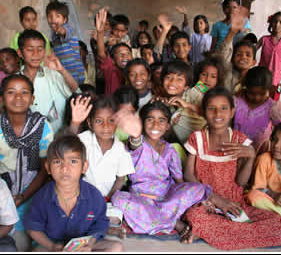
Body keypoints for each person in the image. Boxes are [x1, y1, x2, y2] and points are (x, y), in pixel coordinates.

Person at [182, 86, 281, 250]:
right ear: (203, 111)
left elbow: (241, 182)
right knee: (194, 215)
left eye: (223, 108)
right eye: (211, 109)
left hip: (234, 201)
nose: (217, 114)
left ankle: (205, 231)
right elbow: (188, 175)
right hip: (205, 201)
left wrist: (251, 156)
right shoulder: (197, 138)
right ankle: (207, 227)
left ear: (232, 112)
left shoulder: (239, 139)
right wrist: (214, 198)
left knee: (276, 223)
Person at [111, 101, 212, 242]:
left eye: (161, 120)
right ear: (141, 123)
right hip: (141, 199)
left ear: (168, 126)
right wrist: (135, 134)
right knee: (118, 199)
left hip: (167, 199)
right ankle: (175, 223)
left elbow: (179, 181)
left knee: (197, 189)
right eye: (150, 119)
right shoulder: (138, 144)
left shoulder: (170, 149)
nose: (155, 125)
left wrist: (195, 198)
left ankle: (159, 219)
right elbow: (135, 144)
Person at [0, 74, 54, 251]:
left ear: (32, 98)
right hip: (2, 187)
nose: (18, 98)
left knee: (37, 231)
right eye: (11, 92)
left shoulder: (42, 126)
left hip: (34, 188)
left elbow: (45, 170)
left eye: (24, 92)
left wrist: (22, 197)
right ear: (2, 99)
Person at [24, 134, 124, 252]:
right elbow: (32, 228)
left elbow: (100, 224)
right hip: (53, 245)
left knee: (116, 248)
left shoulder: (94, 196)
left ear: (84, 166)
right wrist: (51, 246)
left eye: (73, 161)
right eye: (57, 162)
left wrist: (90, 243)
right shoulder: (41, 198)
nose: (65, 168)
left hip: (83, 245)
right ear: (48, 168)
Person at [69, 96, 135, 199]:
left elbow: (120, 179)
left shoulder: (121, 149)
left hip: (107, 199)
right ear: (90, 123)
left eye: (111, 121)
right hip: (81, 196)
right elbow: (67, 146)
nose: (105, 126)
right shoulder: (85, 139)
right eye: (99, 121)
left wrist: (109, 198)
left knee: (114, 215)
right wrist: (75, 123)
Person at [15, 29, 79, 134]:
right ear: (20, 53)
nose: (35, 54)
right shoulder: (14, 82)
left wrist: (62, 70)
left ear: (44, 51)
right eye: (30, 49)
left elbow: (76, 92)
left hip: (57, 138)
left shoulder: (53, 74)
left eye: (40, 49)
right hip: (30, 141)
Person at [233, 67, 281, 154]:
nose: (257, 97)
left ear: (269, 89)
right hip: (237, 148)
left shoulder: (273, 107)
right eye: (252, 93)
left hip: (260, 150)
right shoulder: (236, 101)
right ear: (246, 88)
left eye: (262, 94)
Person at [257, 11, 281, 102]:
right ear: (271, 23)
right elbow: (251, 51)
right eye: (275, 21)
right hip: (261, 78)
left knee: (272, 103)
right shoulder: (264, 39)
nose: (277, 24)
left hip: (277, 80)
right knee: (259, 100)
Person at [46, 1, 86, 84]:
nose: (53, 19)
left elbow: (64, 32)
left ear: (64, 20)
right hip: (65, 73)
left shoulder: (67, 28)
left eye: (57, 16)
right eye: (50, 16)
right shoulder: (54, 34)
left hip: (75, 74)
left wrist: (60, 29)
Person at [157, 60, 196, 145]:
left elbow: (208, 110)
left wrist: (186, 105)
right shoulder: (163, 102)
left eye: (179, 79)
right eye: (168, 77)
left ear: (186, 86)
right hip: (183, 146)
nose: (172, 82)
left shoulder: (194, 94)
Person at [95, 8, 133, 95]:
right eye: (116, 30)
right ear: (111, 28)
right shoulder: (112, 70)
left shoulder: (126, 38)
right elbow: (101, 54)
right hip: (108, 71)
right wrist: (100, 33)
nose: (119, 34)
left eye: (127, 53)